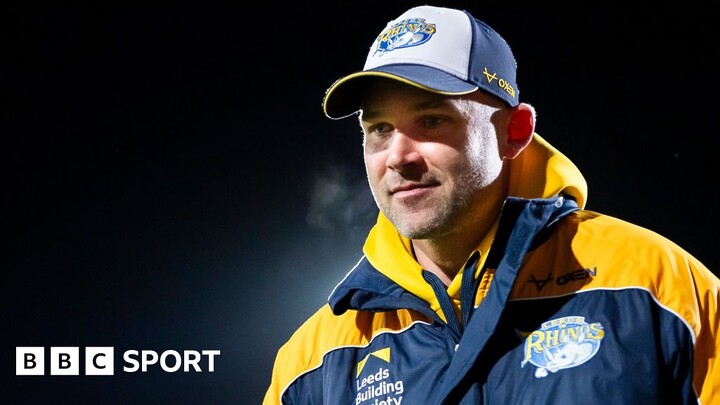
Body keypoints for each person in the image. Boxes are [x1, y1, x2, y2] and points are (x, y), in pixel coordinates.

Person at [263, 5, 720, 404]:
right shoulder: (311, 361)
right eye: (379, 129)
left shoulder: (658, 286)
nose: (398, 157)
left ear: (514, 132)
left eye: (431, 119)